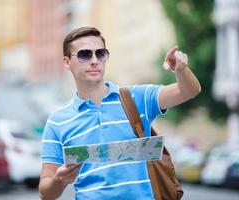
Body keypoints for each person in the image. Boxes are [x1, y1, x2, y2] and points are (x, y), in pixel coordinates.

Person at [39, 26, 201, 200]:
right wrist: (59, 180)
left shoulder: (137, 98)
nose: (94, 60)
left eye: (100, 54)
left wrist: (181, 70)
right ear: (66, 62)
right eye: (84, 54)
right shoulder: (57, 121)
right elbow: (45, 193)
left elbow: (189, 91)